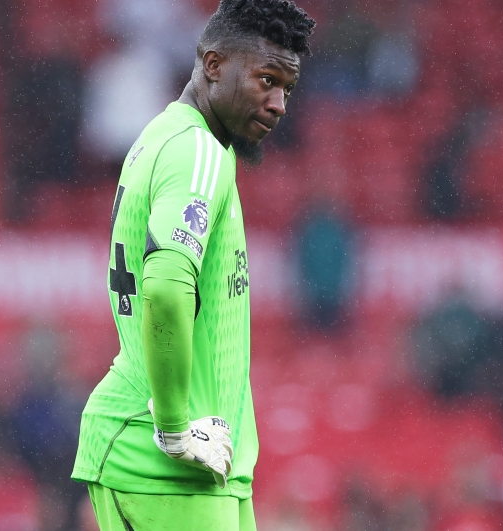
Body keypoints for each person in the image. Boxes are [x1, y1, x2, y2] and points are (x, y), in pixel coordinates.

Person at [71, 2, 315, 531]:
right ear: (212, 64)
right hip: (165, 463)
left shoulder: (165, 138)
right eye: (265, 80)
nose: (278, 104)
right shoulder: (197, 151)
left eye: (286, 90)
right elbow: (164, 286)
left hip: (192, 464)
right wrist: (175, 428)